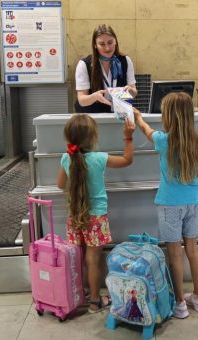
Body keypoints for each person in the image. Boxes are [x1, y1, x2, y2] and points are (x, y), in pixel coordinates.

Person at [133, 92, 198, 319]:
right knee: (193, 250)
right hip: (193, 201)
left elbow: (146, 130)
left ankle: (180, 304)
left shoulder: (163, 140)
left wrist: (137, 117)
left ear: (169, 116)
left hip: (169, 205)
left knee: (175, 254)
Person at [57, 114, 135, 313]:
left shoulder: (67, 157)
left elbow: (60, 185)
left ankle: (79, 295)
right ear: (93, 138)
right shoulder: (99, 158)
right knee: (93, 259)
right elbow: (127, 160)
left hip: (75, 216)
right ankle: (94, 300)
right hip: (96, 218)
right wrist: (128, 137)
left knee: (79, 257)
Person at [75, 24, 137, 113]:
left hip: (119, 115)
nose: (107, 48)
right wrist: (95, 96)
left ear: (115, 41)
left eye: (110, 42)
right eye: (102, 44)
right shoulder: (84, 64)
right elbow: (82, 100)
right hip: (92, 118)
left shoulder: (126, 61)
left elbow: (133, 93)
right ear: (95, 45)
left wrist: (130, 91)